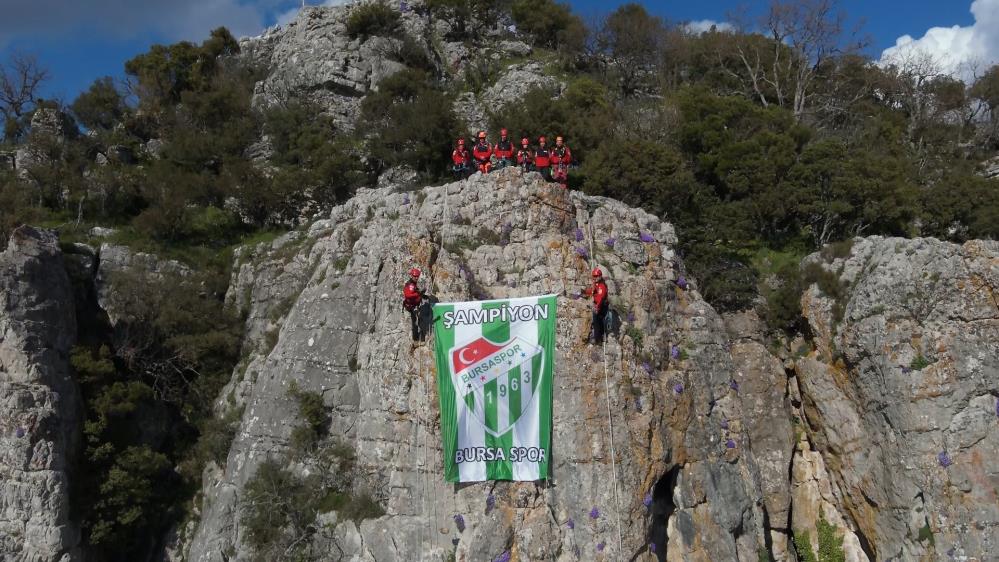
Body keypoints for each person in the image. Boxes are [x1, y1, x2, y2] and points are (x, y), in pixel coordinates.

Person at [582, 267, 609, 344]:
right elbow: (593, 291)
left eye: (596, 276)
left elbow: (600, 298)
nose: (595, 278)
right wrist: (585, 292)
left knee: (598, 321)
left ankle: (598, 339)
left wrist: (597, 307)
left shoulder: (602, 286)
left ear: (600, 276)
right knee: (597, 320)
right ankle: (598, 337)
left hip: (602, 306)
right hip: (598, 305)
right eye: (594, 276)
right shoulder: (596, 284)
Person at [403, 268, 426, 341]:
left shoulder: (413, 284)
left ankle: (417, 338)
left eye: (417, 276)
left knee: (416, 322)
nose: (416, 278)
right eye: (415, 276)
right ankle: (415, 339)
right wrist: (418, 294)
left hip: (413, 306)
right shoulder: (410, 285)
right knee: (414, 323)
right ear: (412, 276)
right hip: (410, 307)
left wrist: (421, 294)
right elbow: (408, 295)